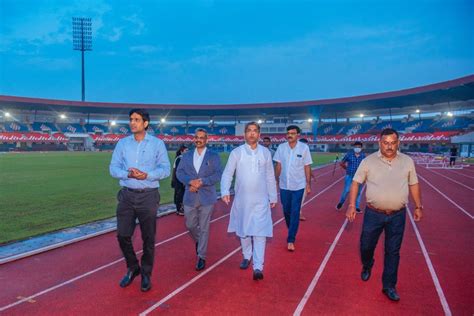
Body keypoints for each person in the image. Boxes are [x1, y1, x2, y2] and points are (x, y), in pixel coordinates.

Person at [346, 128, 423, 302]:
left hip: (398, 215)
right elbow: (356, 183)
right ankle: (367, 263)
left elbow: (414, 184)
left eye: (393, 143)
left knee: (393, 251)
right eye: (385, 143)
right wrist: (351, 205)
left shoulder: (407, 161)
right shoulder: (368, 161)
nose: (389, 146)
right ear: (380, 143)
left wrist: (418, 206)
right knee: (366, 245)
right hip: (373, 214)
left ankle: (389, 286)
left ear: (398, 143)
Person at [109, 109, 171, 292]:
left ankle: (145, 273)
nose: (132, 122)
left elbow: (165, 169)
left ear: (145, 123)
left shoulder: (157, 144)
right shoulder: (122, 144)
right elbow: (113, 168)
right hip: (127, 195)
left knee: (148, 238)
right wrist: (127, 173)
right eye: (131, 119)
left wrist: (147, 175)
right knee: (122, 235)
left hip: (148, 195)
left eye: (136, 120)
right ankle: (133, 266)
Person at [221, 122, 277, 281]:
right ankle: (247, 255)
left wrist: (273, 196)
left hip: (261, 200)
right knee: (243, 231)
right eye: (249, 131)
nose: (252, 134)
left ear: (259, 134)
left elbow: (269, 176)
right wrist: (225, 191)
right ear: (245, 134)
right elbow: (227, 174)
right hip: (242, 200)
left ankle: (258, 266)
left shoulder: (266, 153)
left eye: (255, 131)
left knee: (260, 233)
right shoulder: (237, 153)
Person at [176, 129, 222, 271]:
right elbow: (179, 172)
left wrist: (202, 181)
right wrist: (190, 182)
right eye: (197, 137)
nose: (199, 139)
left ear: (206, 139)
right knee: (190, 225)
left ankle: (201, 255)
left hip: (207, 196)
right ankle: (199, 242)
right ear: (193, 139)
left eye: (202, 138)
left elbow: (218, 174)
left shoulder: (214, 156)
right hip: (190, 195)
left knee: (204, 228)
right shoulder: (186, 156)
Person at [273, 125, 313, 251]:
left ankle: (291, 239)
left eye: (293, 133)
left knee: (295, 211)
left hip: (298, 185)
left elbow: (307, 166)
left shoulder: (304, 148)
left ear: (298, 135)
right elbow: (278, 165)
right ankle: (292, 228)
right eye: (288, 133)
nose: (290, 135)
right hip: (284, 185)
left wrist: (308, 183)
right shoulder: (281, 147)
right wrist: (275, 180)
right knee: (286, 210)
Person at [336, 141, 366, 213]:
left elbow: (365, 167)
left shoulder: (363, 156)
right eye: (356, 147)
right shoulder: (349, 155)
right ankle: (341, 202)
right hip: (350, 175)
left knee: (358, 192)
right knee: (347, 190)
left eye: (359, 147)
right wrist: (346, 168)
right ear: (353, 147)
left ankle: (356, 207)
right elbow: (342, 163)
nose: (357, 148)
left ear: (361, 148)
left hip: (359, 176)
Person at [297, 138, 315, 221]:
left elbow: (307, 165)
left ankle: (298, 213)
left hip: (302, 179)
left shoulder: (306, 153)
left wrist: (312, 175)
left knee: (301, 197)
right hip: (292, 180)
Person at [171, 145, 188, 216]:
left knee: (181, 194)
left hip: (180, 180)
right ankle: (180, 210)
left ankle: (180, 209)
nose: (187, 152)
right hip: (179, 180)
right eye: (186, 150)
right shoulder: (179, 159)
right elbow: (179, 171)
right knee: (180, 195)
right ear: (182, 151)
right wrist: (183, 181)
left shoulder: (182, 158)